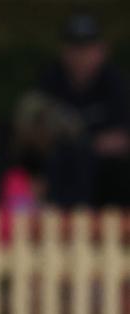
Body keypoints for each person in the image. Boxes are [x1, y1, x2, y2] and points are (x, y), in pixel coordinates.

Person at [37, 13, 130, 207]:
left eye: (87, 48)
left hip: (109, 179)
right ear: (63, 50)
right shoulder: (49, 82)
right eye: (75, 48)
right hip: (61, 173)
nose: (81, 56)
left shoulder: (118, 84)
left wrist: (83, 142)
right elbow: (37, 136)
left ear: (101, 50)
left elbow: (122, 140)